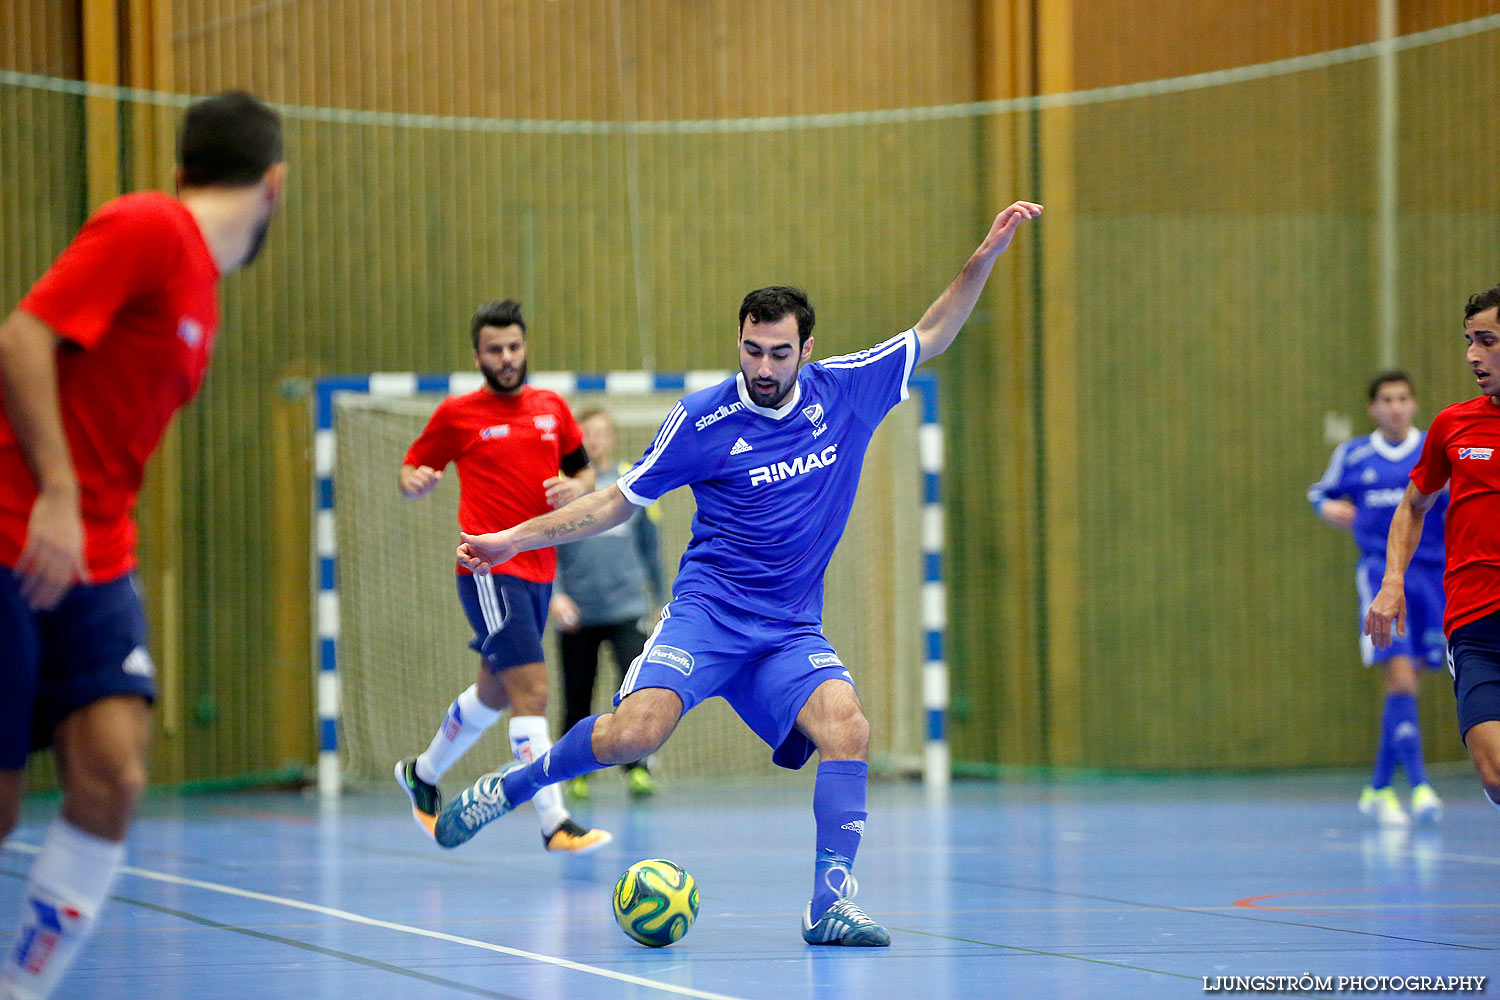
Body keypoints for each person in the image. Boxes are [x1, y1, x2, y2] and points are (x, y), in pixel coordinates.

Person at [434, 200, 1043, 948]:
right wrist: (510, 539)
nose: (761, 367)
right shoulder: (703, 420)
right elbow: (612, 503)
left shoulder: (846, 390)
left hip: (787, 630)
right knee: (633, 736)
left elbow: (936, 329)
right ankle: (517, 785)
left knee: (848, 729)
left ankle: (829, 906)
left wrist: (985, 254)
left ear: (806, 350)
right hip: (708, 615)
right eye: (751, 350)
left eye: (778, 353)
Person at [0, 92, 284, 999]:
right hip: (16, 529)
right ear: (273, 184)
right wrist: (53, 491)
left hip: (97, 557)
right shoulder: (150, 226)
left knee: (114, 774)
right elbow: (23, 337)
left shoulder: (199, 281)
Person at [392, 299, 611, 855]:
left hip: (540, 568)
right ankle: (554, 821)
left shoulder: (552, 408)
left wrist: (579, 486)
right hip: (489, 569)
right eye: (495, 349)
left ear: (525, 347)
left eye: (514, 346)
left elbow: (581, 465)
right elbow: (413, 466)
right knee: (532, 694)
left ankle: (422, 772)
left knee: (494, 692)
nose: (507, 357)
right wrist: (413, 480)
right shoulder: (458, 415)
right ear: (478, 356)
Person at [1367, 284, 1500, 817]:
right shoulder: (1453, 424)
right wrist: (1392, 580)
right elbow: (1413, 506)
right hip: (1475, 623)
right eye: (1469, 340)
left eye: (1486, 341)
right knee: (1493, 774)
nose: (1471, 355)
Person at [1309, 372, 1447, 827]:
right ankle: (1422, 787)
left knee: (1410, 684)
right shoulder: (1355, 455)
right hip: (1381, 575)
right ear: (1373, 408)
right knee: (1401, 677)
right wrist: (1328, 507)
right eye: (1386, 399)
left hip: (1434, 576)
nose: (1395, 407)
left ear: (1414, 404)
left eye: (1403, 398)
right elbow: (1320, 494)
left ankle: (1379, 787)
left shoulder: (1433, 450)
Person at [550, 409, 667, 801]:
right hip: (578, 612)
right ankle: (576, 772)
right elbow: (545, 550)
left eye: (602, 433)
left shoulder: (632, 483)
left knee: (635, 693)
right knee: (577, 694)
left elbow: (652, 549)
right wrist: (556, 595)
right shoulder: (563, 491)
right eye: (587, 434)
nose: (594, 441)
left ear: (612, 438)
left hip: (628, 609)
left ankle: (637, 767)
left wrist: (660, 601)